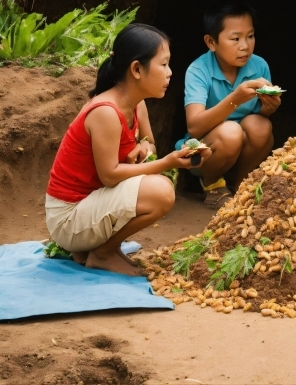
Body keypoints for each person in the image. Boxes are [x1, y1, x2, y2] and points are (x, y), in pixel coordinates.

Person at [45, 23, 205, 276]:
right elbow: (109, 175)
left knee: (156, 184)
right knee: (161, 191)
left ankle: (99, 248)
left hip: (90, 206)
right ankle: (102, 253)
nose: (170, 73)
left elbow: (150, 143)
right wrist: (168, 163)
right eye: (164, 64)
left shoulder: (136, 104)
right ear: (137, 69)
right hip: (68, 220)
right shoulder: (106, 112)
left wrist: (143, 146)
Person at [180, 0, 281, 208]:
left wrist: (267, 109)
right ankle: (212, 186)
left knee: (262, 126)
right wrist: (234, 99)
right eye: (235, 39)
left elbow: (256, 119)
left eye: (250, 36)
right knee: (231, 132)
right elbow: (195, 126)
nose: (245, 46)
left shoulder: (259, 65)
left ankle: (242, 188)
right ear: (211, 42)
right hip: (203, 152)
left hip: (241, 148)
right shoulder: (198, 71)